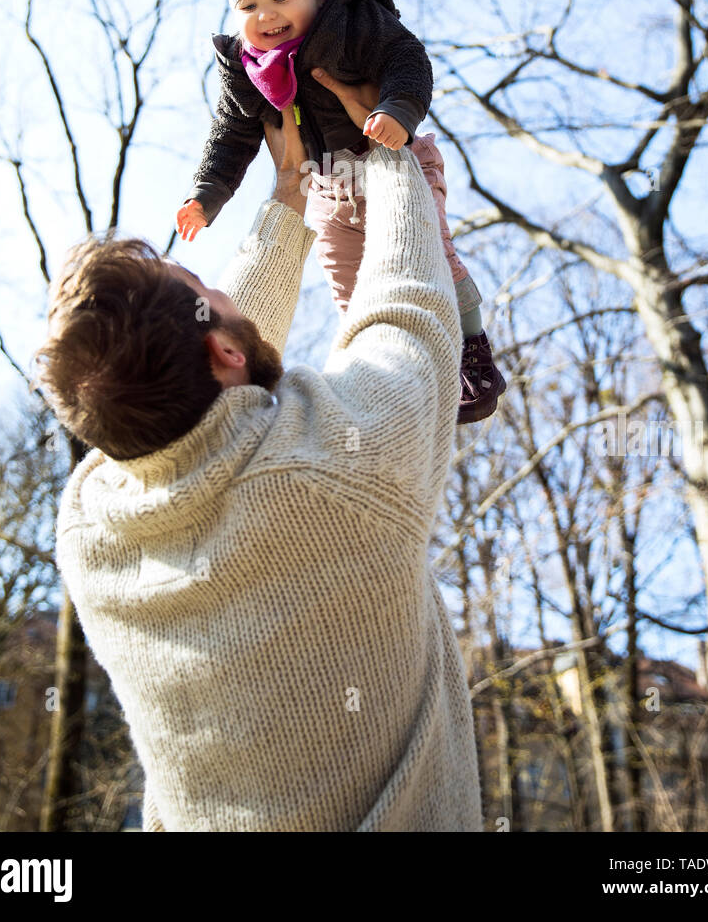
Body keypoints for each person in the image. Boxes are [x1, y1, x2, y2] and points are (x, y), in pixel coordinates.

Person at [38, 73, 484, 832]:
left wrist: (288, 196)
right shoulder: (340, 475)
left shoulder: (90, 531)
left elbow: (207, 396)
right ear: (221, 346)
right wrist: (391, 153)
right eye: (206, 285)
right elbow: (408, 315)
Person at [176, 0, 504, 424]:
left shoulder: (350, 23)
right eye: (248, 5)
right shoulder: (246, 72)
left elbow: (406, 58)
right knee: (346, 281)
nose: (266, 15)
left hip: (393, 159)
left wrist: (396, 109)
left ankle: (471, 350)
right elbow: (231, 136)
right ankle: (374, 370)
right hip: (327, 189)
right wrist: (206, 193)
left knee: (428, 253)